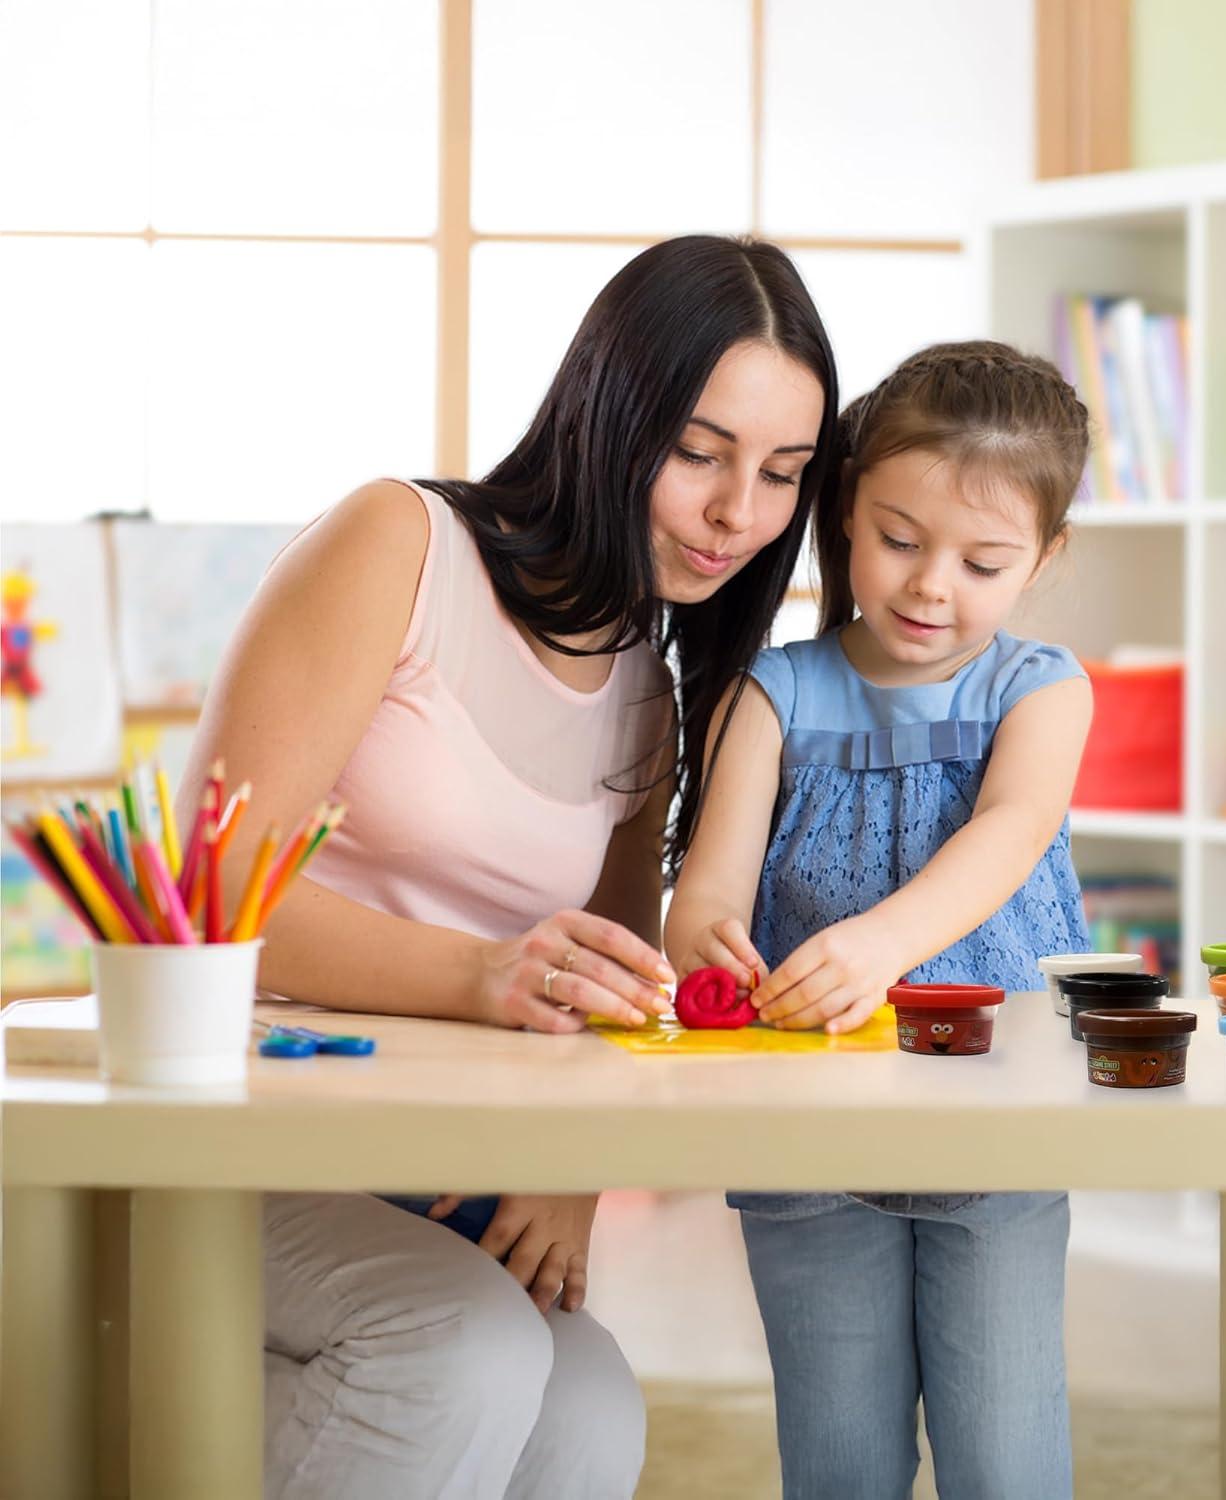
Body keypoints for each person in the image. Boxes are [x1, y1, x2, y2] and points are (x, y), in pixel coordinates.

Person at [179, 234, 837, 1498]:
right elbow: (211, 894)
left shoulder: (651, 682)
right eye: (700, 452)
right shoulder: (400, 547)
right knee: (461, 1349)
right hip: (236, 1139)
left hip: (422, 1166)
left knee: (590, 1404)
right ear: (606, 409)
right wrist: (482, 975)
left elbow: (614, 984)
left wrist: (570, 1170)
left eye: (781, 475)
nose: (736, 515)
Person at [666, 340, 1094, 1499]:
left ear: (1043, 560)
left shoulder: (1041, 688)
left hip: (997, 1123)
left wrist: (885, 942)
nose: (929, 585)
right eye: (900, 540)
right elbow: (707, 889)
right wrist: (702, 937)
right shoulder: (774, 691)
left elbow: (1005, 836)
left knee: (1006, 1456)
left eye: (983, 560)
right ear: (846, 510)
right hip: (808, 1123)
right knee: (838, 1460)